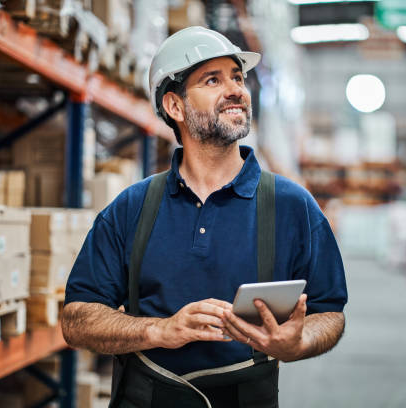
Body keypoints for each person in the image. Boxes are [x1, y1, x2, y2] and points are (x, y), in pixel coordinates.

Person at [61, 26, 348, 408]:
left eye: (237, 78)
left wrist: (297, 342)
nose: (235, 90)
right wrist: (160, 330)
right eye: (212, 80)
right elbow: (78, 319)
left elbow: (329, 313)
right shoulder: (132, 208)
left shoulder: (293, 206)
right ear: (175, 107)